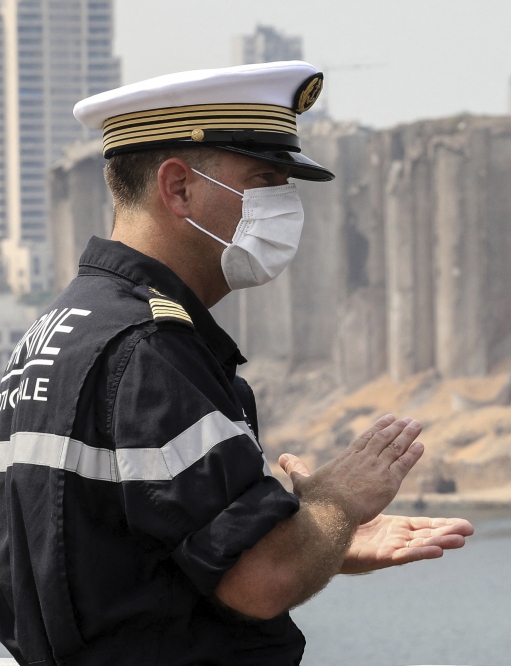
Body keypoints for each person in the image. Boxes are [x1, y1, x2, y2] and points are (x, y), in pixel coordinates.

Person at [0, 61, 473, 665]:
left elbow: (114, 553)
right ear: (178, 188)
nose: (285, 203)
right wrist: (338, 501)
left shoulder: (53, 334)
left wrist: (313, 539)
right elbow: (259, 580)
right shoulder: (150, 350)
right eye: (265, 179)